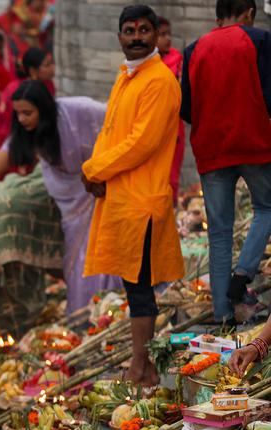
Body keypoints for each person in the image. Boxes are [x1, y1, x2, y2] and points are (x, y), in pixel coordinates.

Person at [0, 81, 122, 325]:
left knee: (105, 257)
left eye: (28, 113)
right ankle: (88, 321)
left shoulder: (79, 110)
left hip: (102, 190)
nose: (22, 119)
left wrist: (108, 172)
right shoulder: (25, 132)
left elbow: (117, 119)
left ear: (44, 109)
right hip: (69, 203)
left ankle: (115, 314)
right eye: (18, 113)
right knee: (78, 265)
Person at [83, 4, 184, 386]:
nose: (137, 37)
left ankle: (142, 369)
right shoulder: (127, 76)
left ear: (158, 35)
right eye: (130, 31)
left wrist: (94, 169)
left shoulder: (159, 81)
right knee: (134, 286)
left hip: (142, 201)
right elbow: (111, 133)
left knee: (141, 289)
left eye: (144, 30)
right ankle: (143, 366)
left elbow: (140, 144)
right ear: (120, 36)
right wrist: (96, 171)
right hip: (122, 198)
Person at [181, 0, 271, 325]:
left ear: (217, 17)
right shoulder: (259, 39)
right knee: (267, 208)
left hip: (212, 150)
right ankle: (243, 273)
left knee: (218, 232)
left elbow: (186, 108)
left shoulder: (194, 49)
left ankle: (222, 314)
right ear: (249, 12)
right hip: (255, 145)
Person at [0, 46, 57, 160]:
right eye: (47, 65)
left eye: (52, 63)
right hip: (11, 139)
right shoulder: (17, 90)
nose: (53, 68)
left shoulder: (49, 85)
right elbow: (12, 122)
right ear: (33, 71)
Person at [157, 16, 186, 200]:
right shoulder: (146, 64)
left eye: (169, 34)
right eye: (162, 35)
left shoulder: (177, 61)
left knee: (172, 170)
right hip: (154, 125)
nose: (167, 38)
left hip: (174, 127)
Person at [0, 0, 49, 76]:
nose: (41, 3)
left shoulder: (48, 12)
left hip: (40, 43)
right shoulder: (20, 12)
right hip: (20, 44)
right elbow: (15, 29)